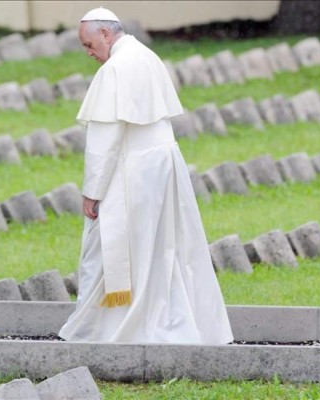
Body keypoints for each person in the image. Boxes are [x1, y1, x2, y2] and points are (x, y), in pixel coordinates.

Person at [58, 7, 233, 344]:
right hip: (164, 168)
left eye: (89, 44)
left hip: (133, 173)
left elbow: (104, 141)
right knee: (163, 250)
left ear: (106, 35)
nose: (89, 53)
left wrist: (92, 192)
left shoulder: (115, 69)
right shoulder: (146, 55)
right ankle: (170, 323)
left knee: (104, 251)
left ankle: (97, 331)